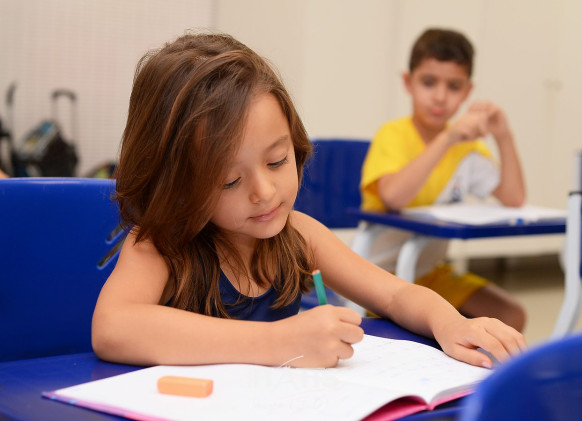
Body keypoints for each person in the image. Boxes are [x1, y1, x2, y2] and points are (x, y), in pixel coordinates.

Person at [91, 31, 525, 370]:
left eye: (277, 161)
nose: (265, 192)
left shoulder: (299, 235)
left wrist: (450, 323)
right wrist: (276, 342)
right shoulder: (161, 244)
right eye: (229, 181)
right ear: (178, 183)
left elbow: (393, 295)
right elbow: (112, 328)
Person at [359, 28, 527, 332]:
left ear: (467, 91)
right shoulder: (393, 135)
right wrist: (447, 139)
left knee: (512, 316)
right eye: (428, 82)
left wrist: (503, 135)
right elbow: (393, 197)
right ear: (408, 82)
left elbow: (514, 198)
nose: (440, 96)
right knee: (430, 328)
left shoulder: (467, 147)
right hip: (377, 276)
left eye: (453, 86)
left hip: (430, 274)